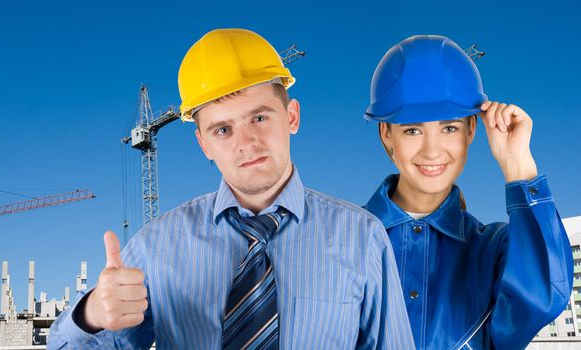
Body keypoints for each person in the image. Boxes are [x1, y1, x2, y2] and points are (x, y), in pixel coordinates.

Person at [48, 28, 415, 349]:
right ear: (204, 144)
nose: (247, 142)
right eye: (223, 130)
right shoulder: (156, 247)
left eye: (259, 117)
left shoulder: (362, 238)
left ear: (291, 117)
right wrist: (92, 314)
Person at [362, 35, 573, 349]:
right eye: (412, 130)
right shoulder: (343, 242)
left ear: (471, 130)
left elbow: (544, 297)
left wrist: (516, 163)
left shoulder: (495, 249)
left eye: (449, 128)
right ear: (386, 134)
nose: (432, 151)